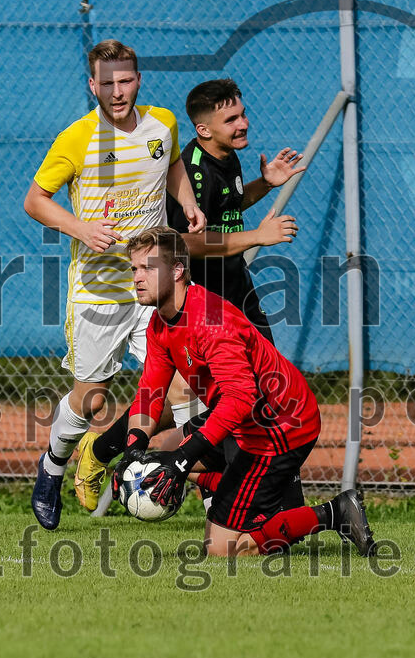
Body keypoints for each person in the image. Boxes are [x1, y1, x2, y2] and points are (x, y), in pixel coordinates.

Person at [72, 78, 307, 511]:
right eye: (231, 118)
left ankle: (120, 453)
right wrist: (259, 236)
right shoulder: (194, 171)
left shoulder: (229, 157)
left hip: (237, 288)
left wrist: (263, 184)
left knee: (258, 391)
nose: (243, 123)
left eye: (242, 113)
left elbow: (228, 209)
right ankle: (212, 488)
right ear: (203, 129)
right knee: (199, 395)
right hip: (202, 297)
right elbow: (186, 242)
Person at [24, 39, 206, 530]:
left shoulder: (162, 124)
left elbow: (170, 167)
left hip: (153, 285)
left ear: (138, 80)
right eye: (107, 83)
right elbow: (35, 200)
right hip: (98, 291)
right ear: (92, 86)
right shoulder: (76, 138)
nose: (117, 91)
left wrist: (186, 203)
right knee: (92, 401)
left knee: (187, 387)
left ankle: (216, 500)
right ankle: (52, 467)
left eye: (125, 81)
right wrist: (80, 228)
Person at [114, 226, 375, 557]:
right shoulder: (159, 324)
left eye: (148, 268)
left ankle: (335, 513)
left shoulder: (210, 320)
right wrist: (132, 452)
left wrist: (182, 459)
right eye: (134, 268)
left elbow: (241, 397)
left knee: (224, 549)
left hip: (280, 422)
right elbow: (149, 395)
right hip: (243, 416)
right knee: (163, 450)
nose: (137, 277)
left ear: (178, 270)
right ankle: (259, 495)